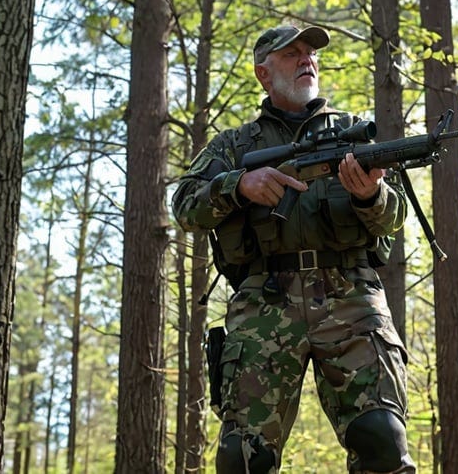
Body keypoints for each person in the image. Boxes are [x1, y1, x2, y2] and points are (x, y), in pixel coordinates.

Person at [172, 24, 415, 473]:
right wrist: (238, 185)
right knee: (243, 458)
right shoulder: (233, 146)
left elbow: (395, 217)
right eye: (292, 54)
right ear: (264, 74)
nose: (308, 60)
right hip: (263, 302)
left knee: (382, 439)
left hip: (352, 298)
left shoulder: (355, 132)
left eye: (311, 53)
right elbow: (184, 205)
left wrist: (369, 196)